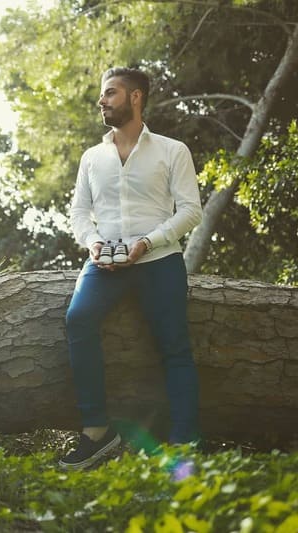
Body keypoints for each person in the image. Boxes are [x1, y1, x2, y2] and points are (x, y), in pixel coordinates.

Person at [58, 67, 203, 470]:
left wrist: (147, 242)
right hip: (103, 265)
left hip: (159, 260)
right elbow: (79, 213)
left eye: (110, 93)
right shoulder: (92, 157)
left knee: (175, 348)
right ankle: (97, 432)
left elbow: (191, 210)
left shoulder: (173, 150)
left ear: (135, 97)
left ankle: (185, 445)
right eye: (103, 95)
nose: (102, 101)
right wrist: (92, 243)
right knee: (78, 320)